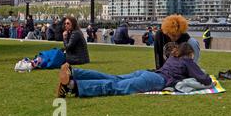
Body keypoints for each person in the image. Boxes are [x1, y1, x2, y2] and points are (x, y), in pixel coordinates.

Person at [56, 42, 212, 98]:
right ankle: (72, 85)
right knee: (115, 87)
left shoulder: (173, 57)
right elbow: (203, 78)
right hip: (156, 80)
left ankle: (75, 72)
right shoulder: (187, 60)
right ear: (189, 53)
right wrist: (209, 78)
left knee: (113, 78)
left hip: (148, 73)